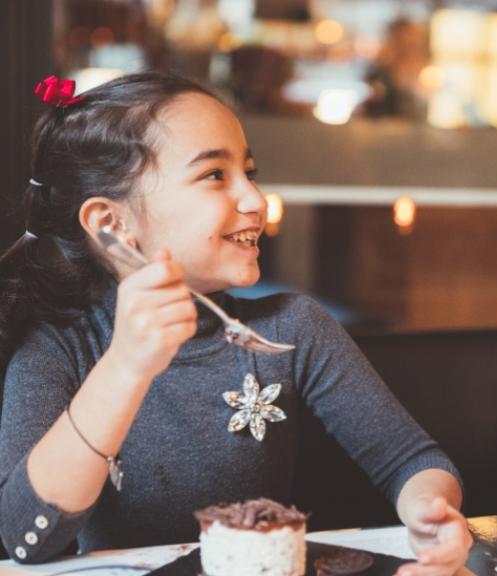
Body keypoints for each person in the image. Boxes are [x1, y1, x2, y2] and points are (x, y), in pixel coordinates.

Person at [0, 73, 472, 575]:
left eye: (249, 172)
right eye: (214, 176)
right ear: (112, 225)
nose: (256, 200)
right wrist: (125, 365)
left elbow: (412, 461)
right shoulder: (59, 348)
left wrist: (432, 509)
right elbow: (26, 539)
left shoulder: (293, 327)